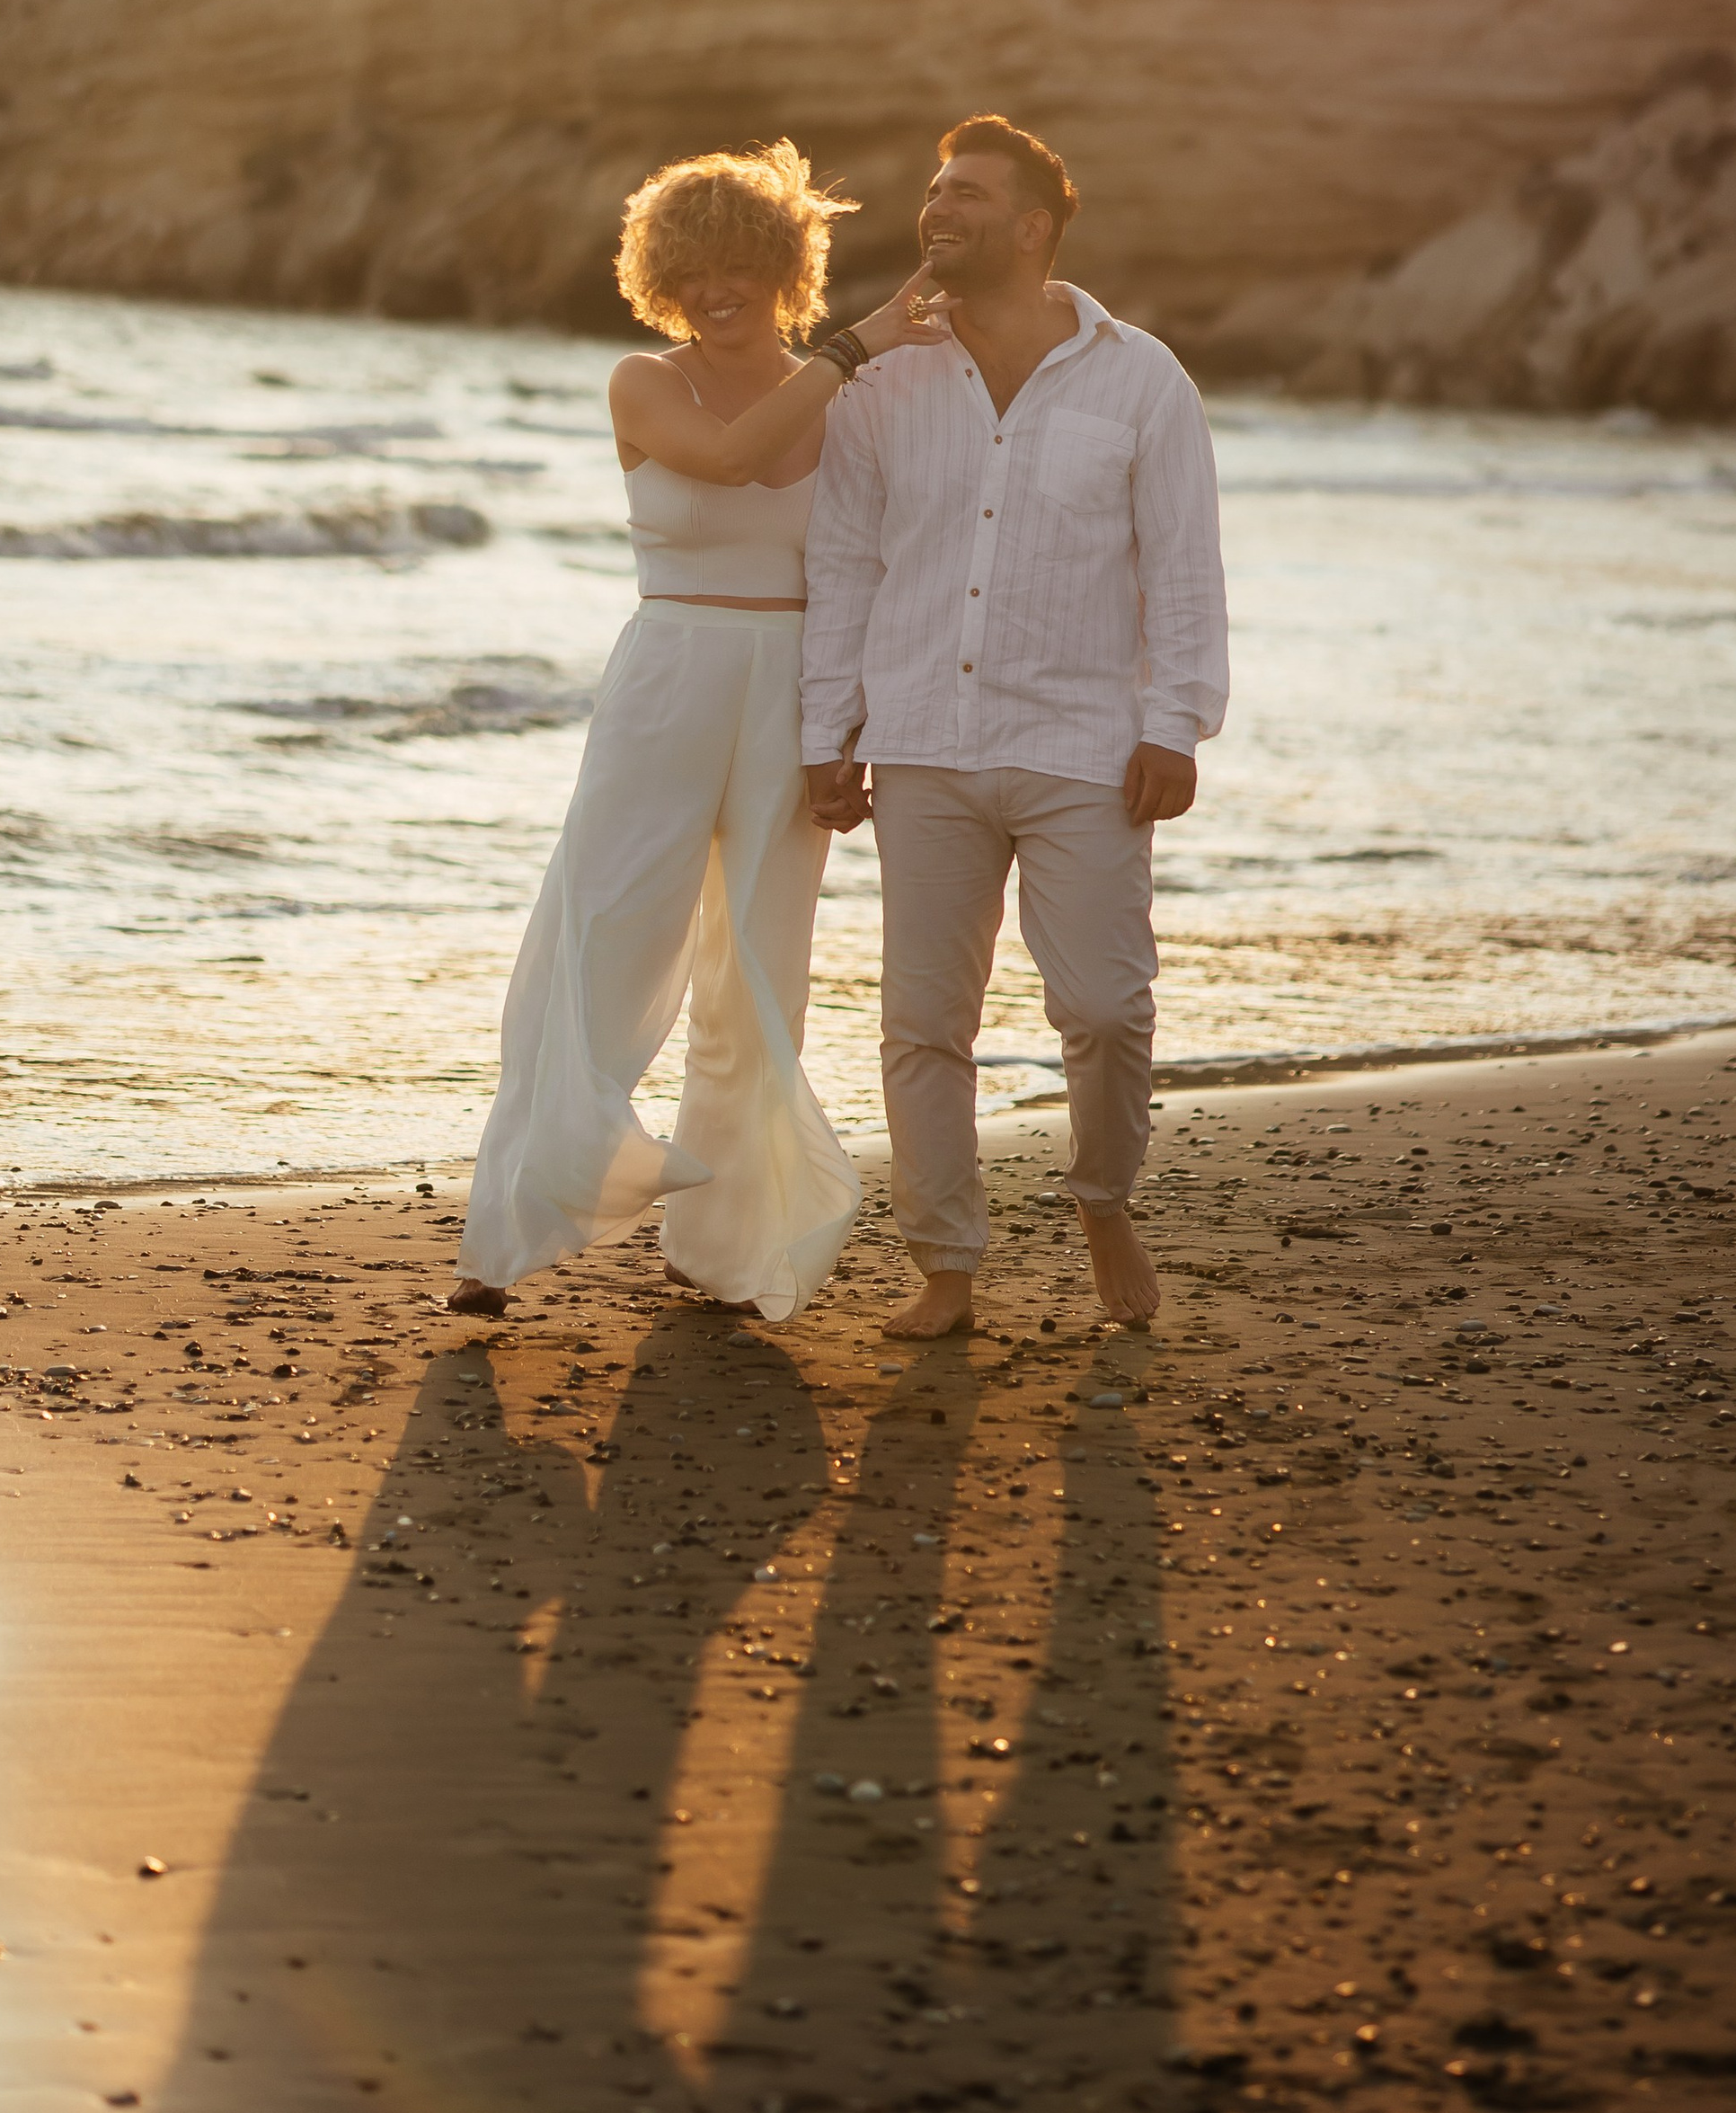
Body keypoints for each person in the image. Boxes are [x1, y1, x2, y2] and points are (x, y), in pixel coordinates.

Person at [449, 142, 949, 1324]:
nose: (717, 291)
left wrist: (853, 731)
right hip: (668, 677)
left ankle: (724, 1246)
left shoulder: (851, 396)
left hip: (795, 690)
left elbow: (880, 572)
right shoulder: (645, 383)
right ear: (660, 278)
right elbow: (733, 458)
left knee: (762, 966)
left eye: (740, 265)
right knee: (606, 928)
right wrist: (857, 345)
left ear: (783, 268)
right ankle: (508, 1230)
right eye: (694, 270)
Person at [802, 115, 1229, 1337]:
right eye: (935, 190)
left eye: (970, 194)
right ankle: (946, 1264)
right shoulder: (881, 379)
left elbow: (1183, 568)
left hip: (1087, 749)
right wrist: (826, 732)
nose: (940, 209)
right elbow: (842, 565)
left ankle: (1102, 1201)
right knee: (922, 1023)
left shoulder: (1140, 377)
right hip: (923, 743)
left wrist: (1177, 723)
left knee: (1103, 1007)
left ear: (1034, 227)